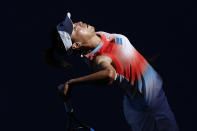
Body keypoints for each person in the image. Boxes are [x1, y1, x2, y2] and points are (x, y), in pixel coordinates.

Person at [45, 12, 179, 131]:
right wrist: (71, 83)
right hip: (150, 102)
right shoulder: (99, 59)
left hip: (137, 99)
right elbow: (109, 75)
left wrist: (143, 65)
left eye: (74, 23)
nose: (78, 23)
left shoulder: (101, 36)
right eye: (74, 28)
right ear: (76, 45)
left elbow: (123, 59)